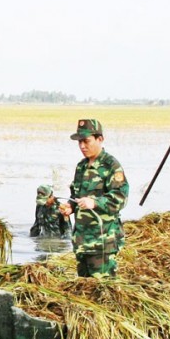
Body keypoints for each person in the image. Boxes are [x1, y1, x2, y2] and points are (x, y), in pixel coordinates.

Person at [60, 119, 129, 278]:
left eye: (86, 141)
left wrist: (95, 202)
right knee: (84, 289)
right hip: (82, 240)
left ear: (100, 139)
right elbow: (75, 195)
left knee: (103, 291)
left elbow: (120, 197)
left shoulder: (111, 165)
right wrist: (70, 207)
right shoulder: (81, 166)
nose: (82, 146)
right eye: (79, 142)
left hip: (102, 241)